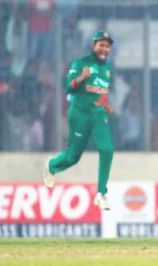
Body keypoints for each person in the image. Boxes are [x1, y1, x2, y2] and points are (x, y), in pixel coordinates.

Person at [43, 30, 115, 211]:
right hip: (79, 113)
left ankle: (101, 193)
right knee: (74, 156)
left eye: (107, 46)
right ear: (94, 45)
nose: (104, 49)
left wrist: (106, 105)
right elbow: (69, 88)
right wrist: (82, 77)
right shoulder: (80, 63)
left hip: (98, 114)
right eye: (101, 45)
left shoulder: (107, 69)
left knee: (107, 150)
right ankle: (52, 165)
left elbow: (103, 93)